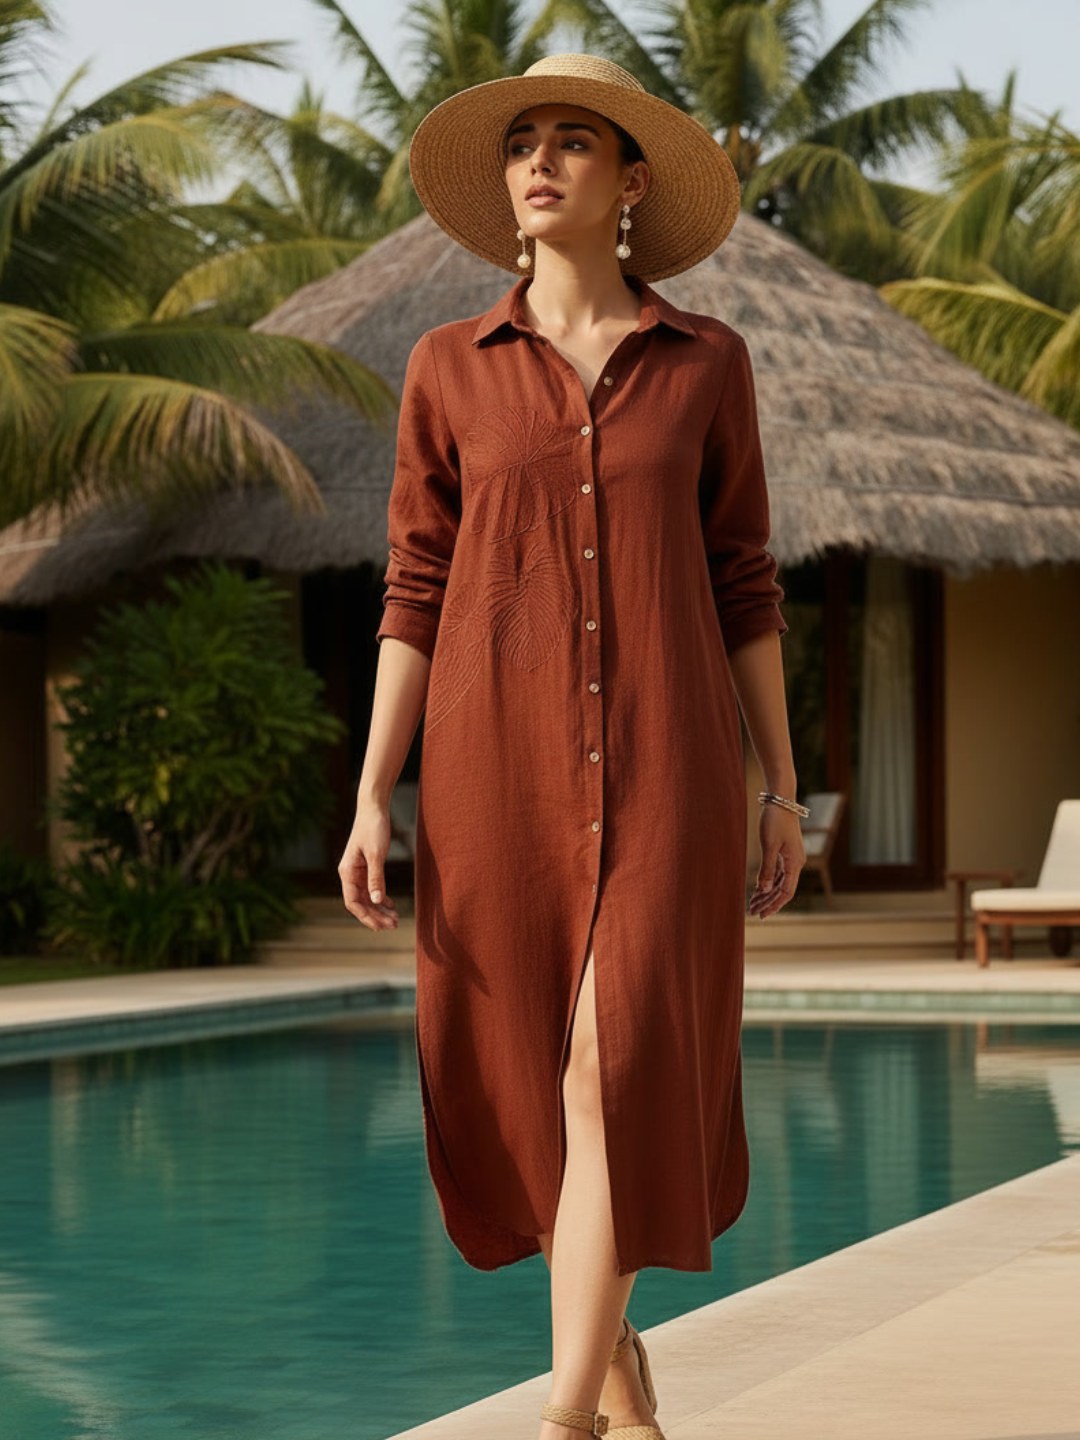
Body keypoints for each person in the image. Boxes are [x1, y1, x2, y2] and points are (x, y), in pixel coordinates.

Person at [338, 52, 806, 1440]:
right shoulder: (443, 370)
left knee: (614, 1066)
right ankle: (620, 1375)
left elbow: (745, 583)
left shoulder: (708, 363)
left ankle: (565, 1420)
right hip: (492, 774)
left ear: (631, 180)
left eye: (575, 143)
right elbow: (413, 588)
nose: (539, 162)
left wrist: (781, 783)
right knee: (532, 1098)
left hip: (672, 772)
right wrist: (373, 794)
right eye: (523, 143)